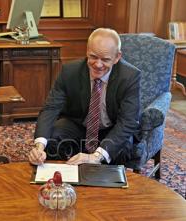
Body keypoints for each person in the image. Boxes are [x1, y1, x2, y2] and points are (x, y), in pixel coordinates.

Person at [29, 28, 141, 166]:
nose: (98, 64)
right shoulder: (70, 71)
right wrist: (39, 146)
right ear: (87, 50)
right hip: (79, 124)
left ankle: (107, 184)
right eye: (93, 57)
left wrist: (96, 156)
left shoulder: (129, 77)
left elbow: (128, 122)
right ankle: (62, 180)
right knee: (53, 138)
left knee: (122, 148)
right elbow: (51, 108)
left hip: (111, 128)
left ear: (117, 57)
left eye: (105, 59)